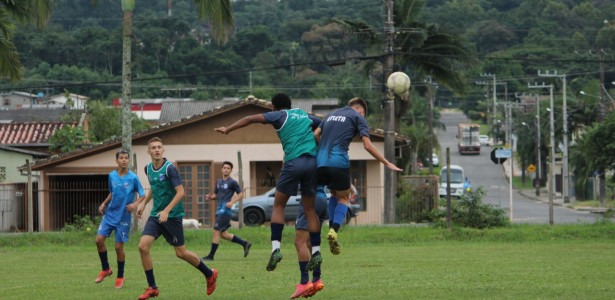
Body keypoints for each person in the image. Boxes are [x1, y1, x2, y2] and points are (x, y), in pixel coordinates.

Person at [214, 93, 323, 272]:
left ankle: (276, 249)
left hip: (293, 162)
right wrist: (317, 137)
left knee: (278, 205)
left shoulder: (279, 115)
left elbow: (251, 118)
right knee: (310, 209)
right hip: (312, 163)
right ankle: (317, 251)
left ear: (274, 107)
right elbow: (325, 123)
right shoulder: (304, 115)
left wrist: (229, 129)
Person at [314, 97, 403, 255]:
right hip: (338, 162)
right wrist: (387, 162)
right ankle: (334, 231)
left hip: (320, 162)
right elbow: (367, 145)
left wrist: (322, 151)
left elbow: (315, 135)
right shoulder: (358, 117)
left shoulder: (329, 115)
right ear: (361, 111)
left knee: (334, 194)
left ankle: (331, 231)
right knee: (345, 197)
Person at [135, 137, 218, 299]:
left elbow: (181, 192)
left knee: (181, 253)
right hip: (156, 216)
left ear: (163, 150)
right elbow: (154, 187)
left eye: (159, 147)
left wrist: (166, 211)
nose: (157, 150)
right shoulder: (148, 169)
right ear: (149, 151)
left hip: (172, 216)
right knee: (142, 247)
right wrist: (144, 203)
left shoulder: (170, 168)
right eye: (153, 148)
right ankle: (152, 288)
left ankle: (209, 274)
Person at [94, 149, 145, 289]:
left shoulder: (133, 178)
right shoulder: (111, 176)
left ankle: (120, 276)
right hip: (110, 214)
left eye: (126, 158)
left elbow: (142, 194)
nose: (124, 160)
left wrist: (135, 204)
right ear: (116, 160)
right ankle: (106, 269)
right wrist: (104, 203)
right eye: (121, 158)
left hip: (123, 216)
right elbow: (112, 192)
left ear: (128, 160)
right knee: (98, 240)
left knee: (118, 248)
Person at [202, 161, 252, 261]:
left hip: (225, 211)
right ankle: (245, 244)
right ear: (221, 169)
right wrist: (210, 197)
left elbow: (240, 194)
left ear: (231, 170)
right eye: (224, 167)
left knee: (216, 231)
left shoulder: (232, 182)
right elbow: (216, 195)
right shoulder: (218, 182)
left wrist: (232, 202)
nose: (226, 169)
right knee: (223, 234)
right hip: (218, 210)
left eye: (228, 168)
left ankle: (211, 256)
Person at [291, 185, 328, 298]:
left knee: (299, 242)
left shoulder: (302, 165)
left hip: (310, 200)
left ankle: (304, 281)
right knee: (312, 242)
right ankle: (316, 279)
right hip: (323, 200)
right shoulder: (319, 165)